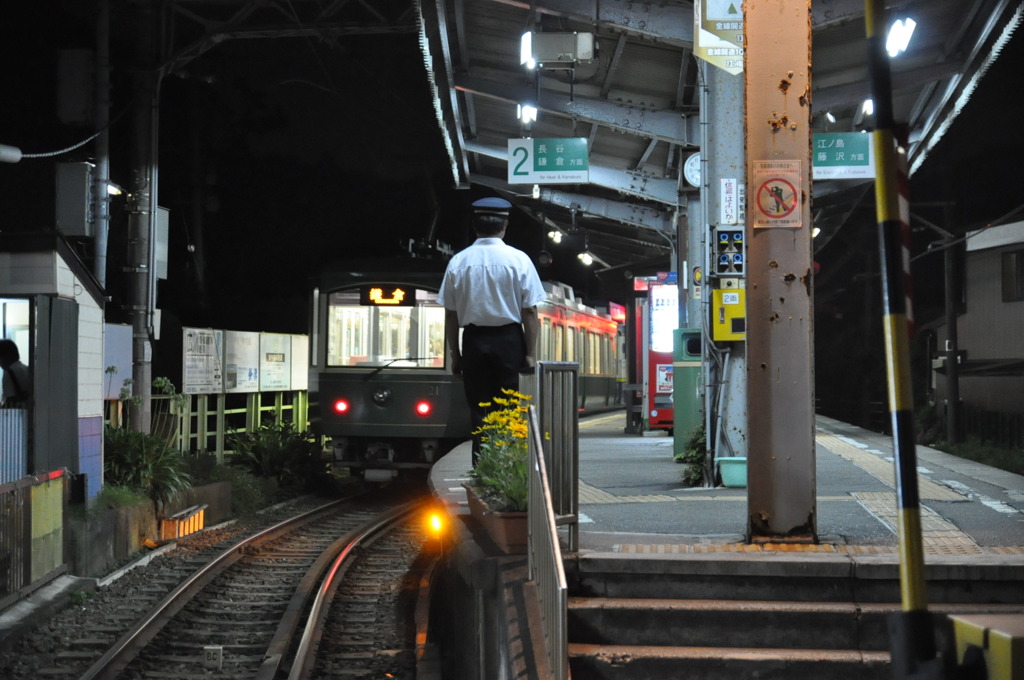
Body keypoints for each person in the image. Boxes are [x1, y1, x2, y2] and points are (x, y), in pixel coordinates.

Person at [437, 197, 546, 465]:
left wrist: (455, 354)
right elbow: (530, 312)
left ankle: (483, 469)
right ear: (504, 226)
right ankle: (507, 465)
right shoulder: (519, 260)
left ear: (475, 227)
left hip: (473, 340)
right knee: (509, 406)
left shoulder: (459, 262)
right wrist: (531, 354)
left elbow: (451, 313)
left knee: (479, 410)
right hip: (510, 340)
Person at [0, 339, 30, 408]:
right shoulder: (27, 369)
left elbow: (10, 402)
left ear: (6, 356)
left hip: (17, 415)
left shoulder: (8, 373)